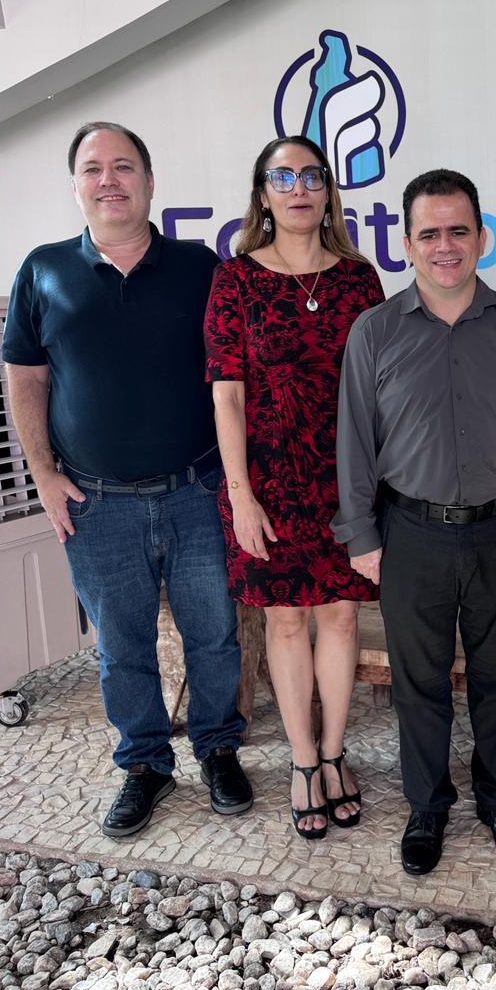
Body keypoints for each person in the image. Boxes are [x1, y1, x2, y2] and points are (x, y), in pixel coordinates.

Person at [3, 121, 252, 839]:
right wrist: (43, 475)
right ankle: (145, 764)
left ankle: (218, 749)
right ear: (76, 186)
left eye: (123, 166)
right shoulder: (43, 271)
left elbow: (233, 379)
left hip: (197, 492)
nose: (108, 179)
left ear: (148, 181)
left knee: (214, 635)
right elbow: (26, 379)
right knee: (122, 647)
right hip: (96, 504)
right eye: (93, 168)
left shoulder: (200, 267)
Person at [333, 169, 496, 876]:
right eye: (429, 234)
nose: (445, 246)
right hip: (410, 533)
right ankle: (427, 805)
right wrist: (361, 536)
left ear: (481, 238)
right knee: (417, 682)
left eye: (458, 231)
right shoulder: (375, 331)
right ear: (406, 244)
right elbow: (355, 440)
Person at [204, 136, 384, 840]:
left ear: (329, 190)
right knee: (283, 623)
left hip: (345, 480)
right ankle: (303, 761)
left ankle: (335, 752)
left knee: (340, 619)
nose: (299, 189)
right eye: (283, 178)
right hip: (269, 483)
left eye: (312, 176)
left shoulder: (359, 280)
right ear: (263, 195)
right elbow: (226, 396)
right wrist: (240, 494)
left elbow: (377, 393)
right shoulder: (235, 280)